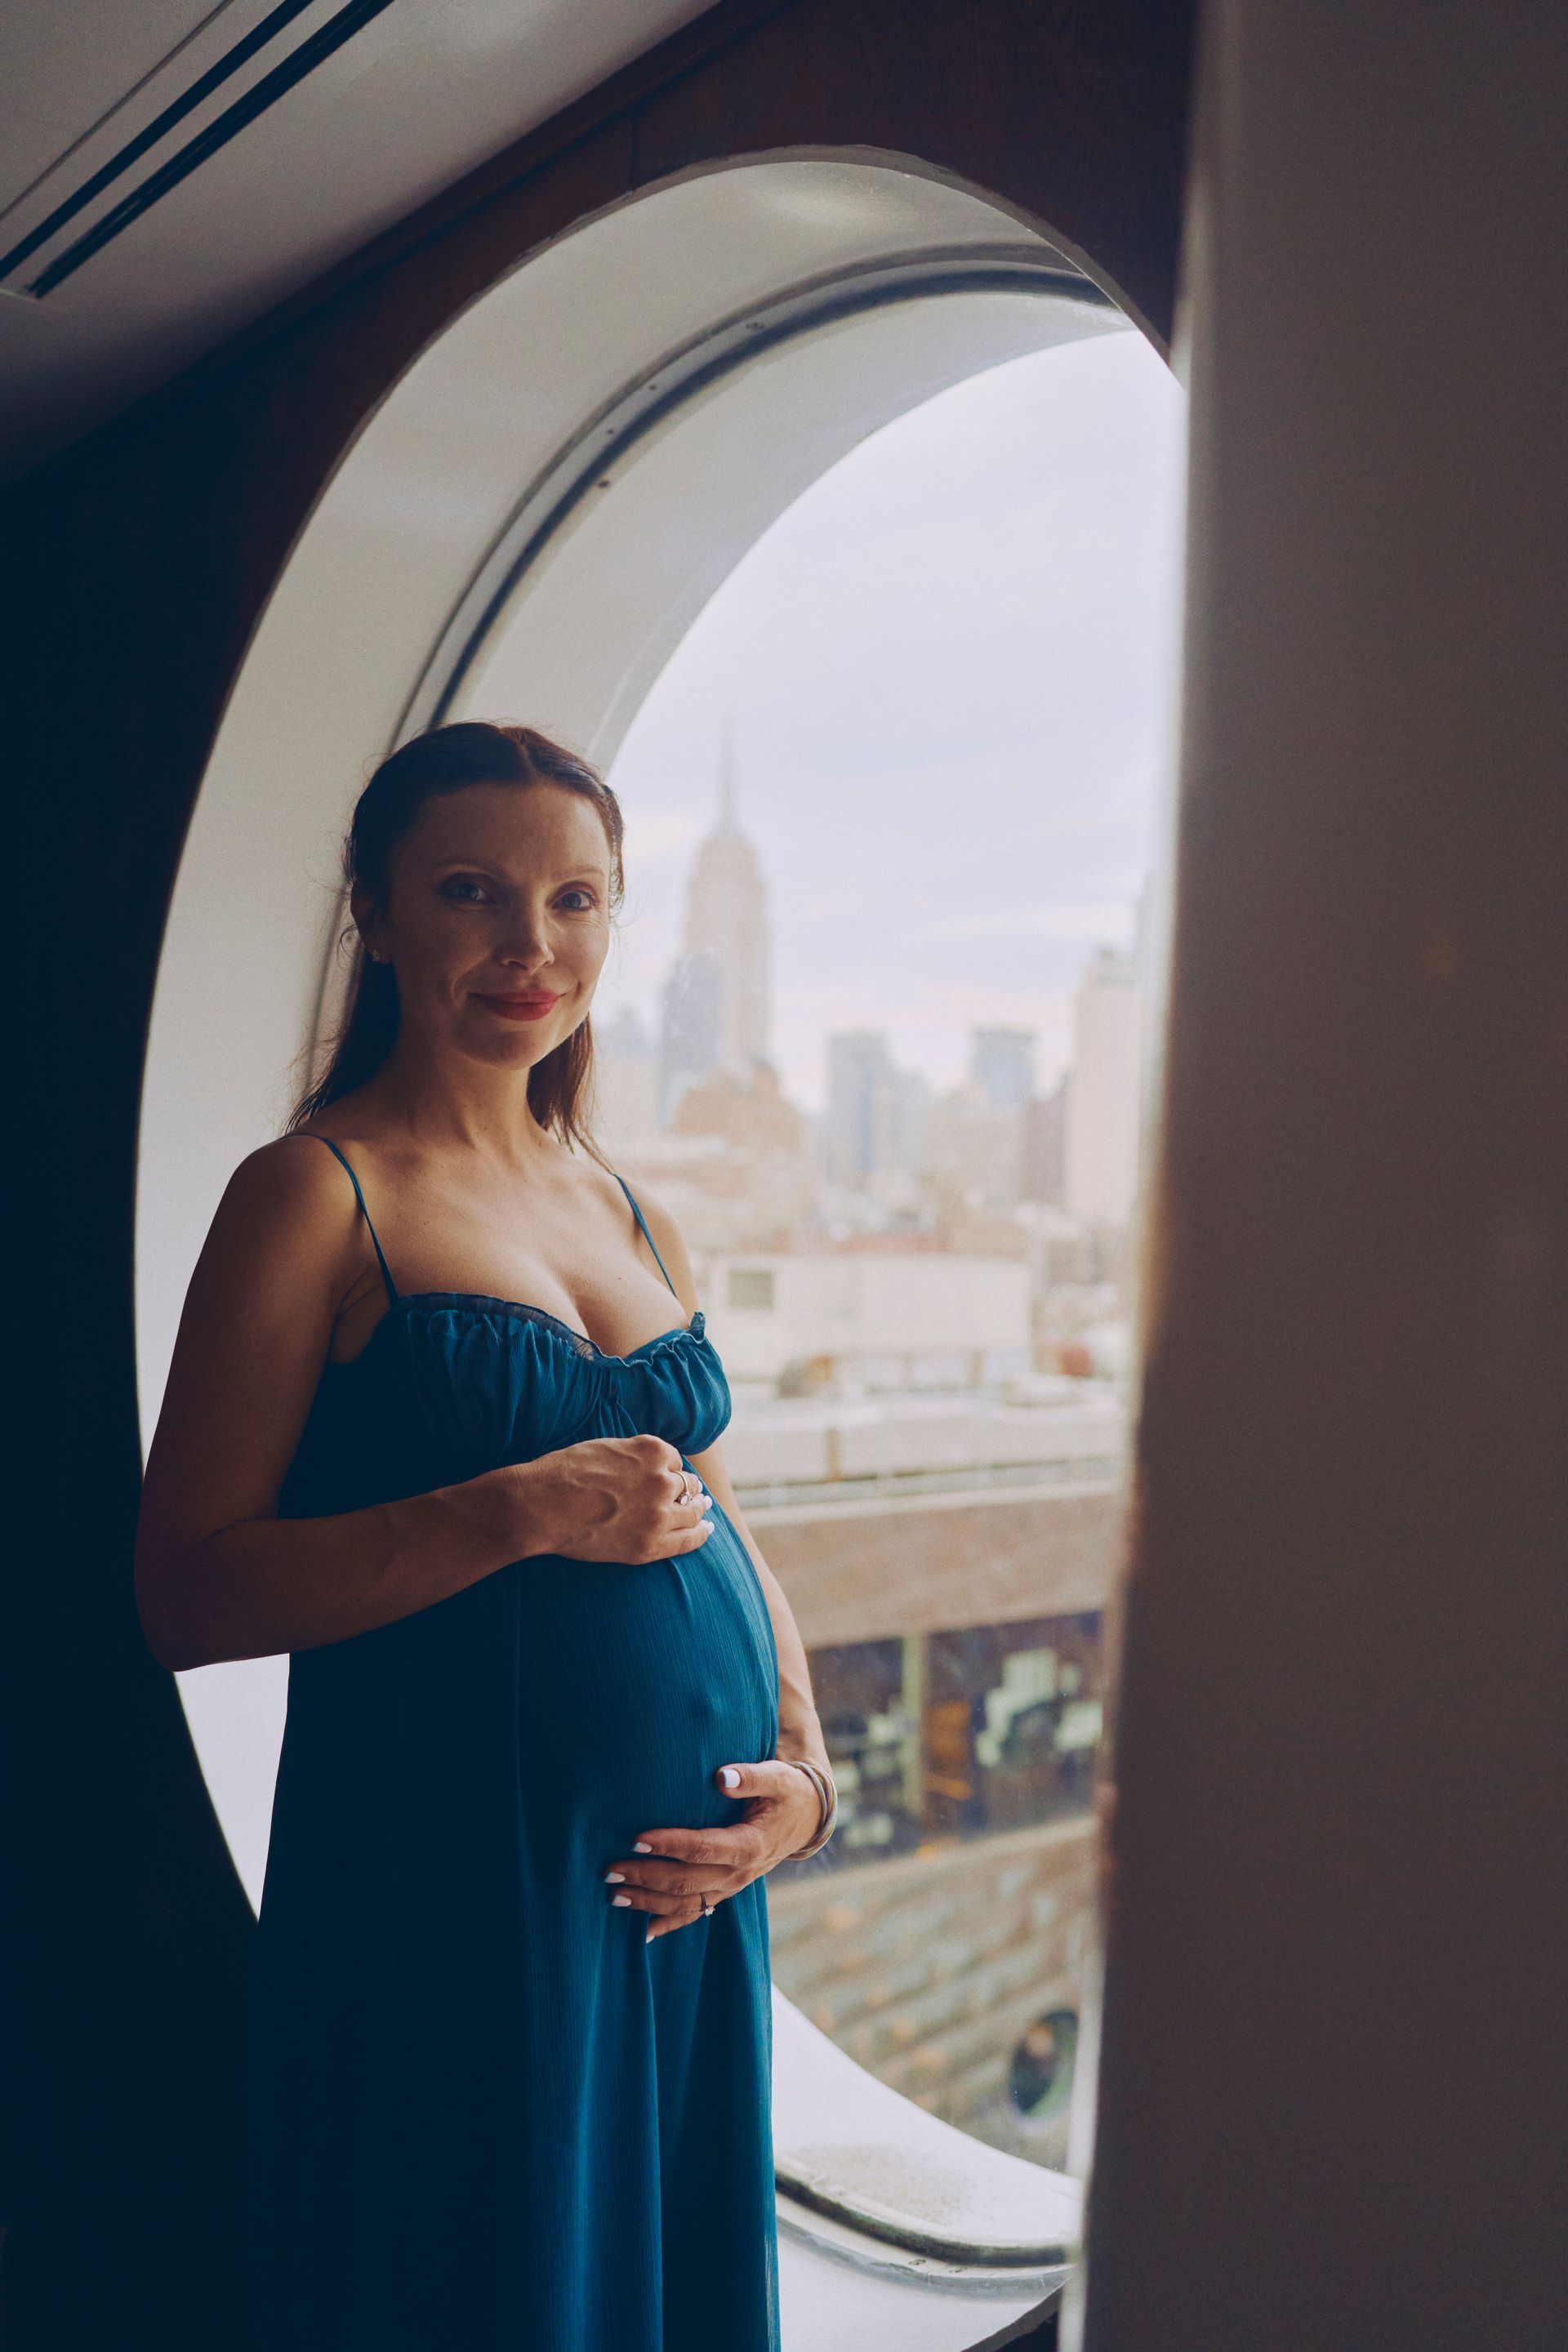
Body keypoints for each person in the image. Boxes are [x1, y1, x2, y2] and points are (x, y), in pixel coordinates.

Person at [133, 722, 837, 2352]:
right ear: (375, 910)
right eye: (474, 892)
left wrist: (803, 1782)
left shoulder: (625, 1200)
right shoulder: (314, 1192)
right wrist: (510, 1510)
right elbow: (184, 1591)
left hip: (686, 1907)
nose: (535, 947)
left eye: (576, 900)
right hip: (463, 1895)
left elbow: (717, 1523)